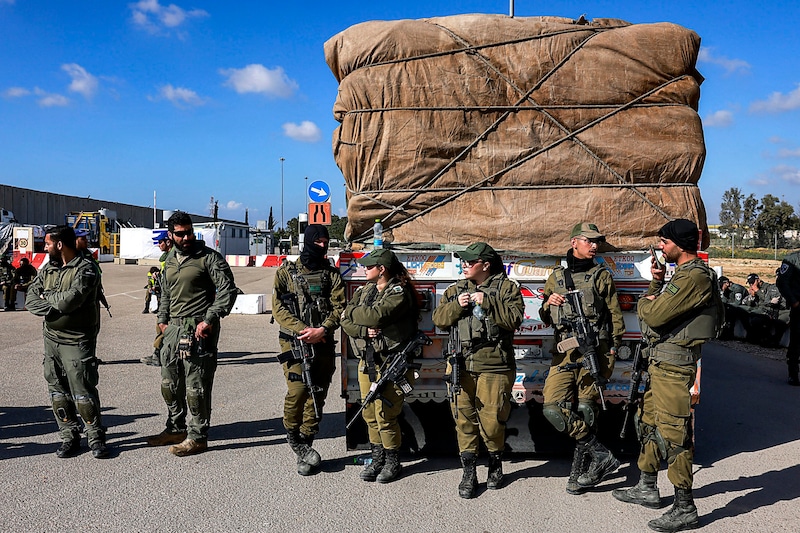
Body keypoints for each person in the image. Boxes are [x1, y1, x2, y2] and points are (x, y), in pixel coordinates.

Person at [613, 219, 722, 533]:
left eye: (664, 242)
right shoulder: (680, 276)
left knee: (675, 434)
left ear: (679, 244)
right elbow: (654, 314)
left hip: (675, 366)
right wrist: (655, 285)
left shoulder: (695, 277)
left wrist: (648, 302)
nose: (661, 248)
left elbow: (653, 315)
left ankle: (685, 507)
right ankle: (647, 486)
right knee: (648, 423)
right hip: (659, 363)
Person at [432, 242, 524, 499]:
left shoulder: (507, 288)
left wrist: (490, 302)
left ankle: (495, 464)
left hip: (494, 365)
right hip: (460, 364)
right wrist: (455, 306)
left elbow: (514, 320)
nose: (464, 265)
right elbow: (439, 320)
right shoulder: (456, 289)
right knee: (463, 419)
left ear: (485, 265)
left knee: (492, 421)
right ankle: (469, 472)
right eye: (463, 261)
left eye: (470, 262)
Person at [538, 223, 625, 495]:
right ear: (575, 242)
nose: (595, 246)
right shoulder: (557, 277)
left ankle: (578, 474)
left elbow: (614, 315)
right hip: (564, 353)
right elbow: (543, 314)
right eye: (590, 241)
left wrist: (611, 351)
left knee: (587, 412)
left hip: (593, 351)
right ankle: (600, 453)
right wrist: (548, 304)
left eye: (597, 242)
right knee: (552, 407)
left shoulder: (601, 275)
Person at [146, 212, 237, 457]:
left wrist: (209, 319)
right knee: (170, 384)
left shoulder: (208, 258)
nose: (186, 237)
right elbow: (165, 293)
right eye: (180, 233)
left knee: (196, 387)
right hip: (173, 330)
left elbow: (228, 290)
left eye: (189, 232)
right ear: (170, 235)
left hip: (198, 330)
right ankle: (175, 428)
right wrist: (162, 321)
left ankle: (197, 436)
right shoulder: (170, 260)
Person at [25, 225, 109, 458]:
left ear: (59, 245)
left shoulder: (86, 269)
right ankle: (69, 436)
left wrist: (48, 300)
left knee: (83, 392)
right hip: (51, 339)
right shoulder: (49, 269)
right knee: (58, 392)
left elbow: (70, 301)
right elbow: (31, 298)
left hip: (77, 340)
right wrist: (52, 303)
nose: (45, 247)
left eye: (48, 243)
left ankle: (95, 437)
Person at [340, 248, 421, 483]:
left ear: (382, 269)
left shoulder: (398, 292)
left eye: (369, 266)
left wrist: (352, 312)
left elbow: (376, 316)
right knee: (368, 411)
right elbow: (344, 321)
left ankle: (392, 461)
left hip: (391, 362)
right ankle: (377, 459)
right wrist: (362, 329)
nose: (365, 269)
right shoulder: (366, 290)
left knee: (385, 414)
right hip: (368, 362)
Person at [272, 224, 345, 475]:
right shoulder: (286, 272)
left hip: (323, 341)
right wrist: (305, 329)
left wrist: (322, 330)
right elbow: (278, 309)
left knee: (317, 395)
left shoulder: (331, 274)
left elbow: (339, 307)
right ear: (309, 241)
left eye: (326, 241)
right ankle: (294, 439)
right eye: (319, 241)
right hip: (295, 341)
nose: (323, 246)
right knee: (298, 390)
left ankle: (306, 447)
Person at [141, 236, 173, 366]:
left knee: (163, 326)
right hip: (166, 298)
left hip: (171, 300)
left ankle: (158, 355)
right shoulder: (166, 258)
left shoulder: (172, 257)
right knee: (161, 325)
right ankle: (158, 353)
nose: (159, 245)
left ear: (168, 242)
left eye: (160, 242)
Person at [741, 273, 787, 346]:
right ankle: (751, 336)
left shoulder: (768, 287)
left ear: (758, 280)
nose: (751, 285)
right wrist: (752, 296)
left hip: (767, 311)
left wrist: (757, 291)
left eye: (752, 282)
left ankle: (761, 338)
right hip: (757, 309)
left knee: (756, 319)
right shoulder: (753, 288)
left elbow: (767, 302)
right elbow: (748, 303)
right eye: (750, 283)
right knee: (742, 312)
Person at [776, 251, 800, 386]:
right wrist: (794, 301)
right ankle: (793, 373)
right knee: (797, 340)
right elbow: (782, 282)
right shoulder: (792, 260)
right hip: (798, 307)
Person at [718, 276, 746, 340]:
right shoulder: (726, 290)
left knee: (731, 312)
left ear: (727, 283)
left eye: (722, 285)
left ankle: (730, 334)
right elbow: (724, 301)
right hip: (732, 306)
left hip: (742, 307)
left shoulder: (737, 289)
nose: (721, 288)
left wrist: (727, 305)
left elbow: (737, 303)